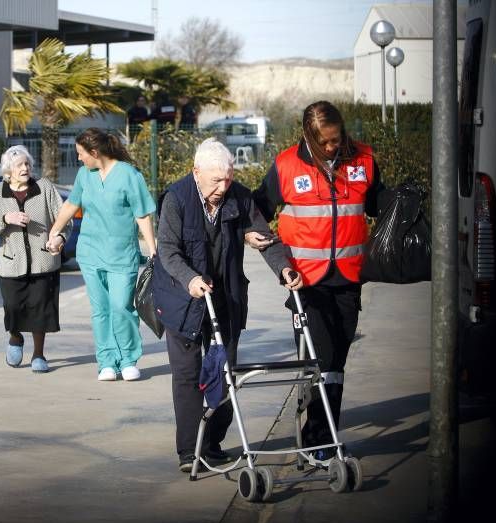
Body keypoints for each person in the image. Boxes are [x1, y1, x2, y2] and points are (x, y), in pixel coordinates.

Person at [152, 137, 303, 473]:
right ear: (196, 172)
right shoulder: (177, 198)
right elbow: (168, 251)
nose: (223, 186)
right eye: (216, 179)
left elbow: (266, 239)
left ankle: (214, 442)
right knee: (187, 376)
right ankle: (190, 451)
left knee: (225, 373)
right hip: (182, 296)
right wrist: (190, 278)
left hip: (225, 297)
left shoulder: (240, 197)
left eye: (228, 178)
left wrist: (284, 268)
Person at [252, 100, 386, 466]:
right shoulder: (285, 165)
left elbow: (379, 206)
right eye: (324, 142)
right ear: (308, 136)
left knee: (336, 361)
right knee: (319, 360)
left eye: (336, 139)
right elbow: (256, 209)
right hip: (305, 281)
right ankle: (318, 443)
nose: (331, 147)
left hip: (348, 278)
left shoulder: (364, 160)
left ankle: (319, 438)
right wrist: (253, 235)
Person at [47, 128, 157, 382]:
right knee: (101, 310)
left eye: (81, 153)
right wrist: (54, 232)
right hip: (90, 253)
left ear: (95, 152)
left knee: (121, 307)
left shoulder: (130, 175)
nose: (78, 158)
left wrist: (152, 249)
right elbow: (71, 204)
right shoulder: (85, 175)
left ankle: (128, 359)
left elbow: (141, 214)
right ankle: (106, 361)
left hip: (122, 255)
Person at [0, 145, 72, 374]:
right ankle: (15, 337)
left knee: (41, 310)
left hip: (43, 261)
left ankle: (39, 355)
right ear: (8, 170)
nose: (26, 168)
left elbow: (64, 219)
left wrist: (59, 237)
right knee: (12, 307)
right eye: (20, 164)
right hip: (11, 264)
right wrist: (5, 218)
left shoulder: (44, 188)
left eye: (27, 163)